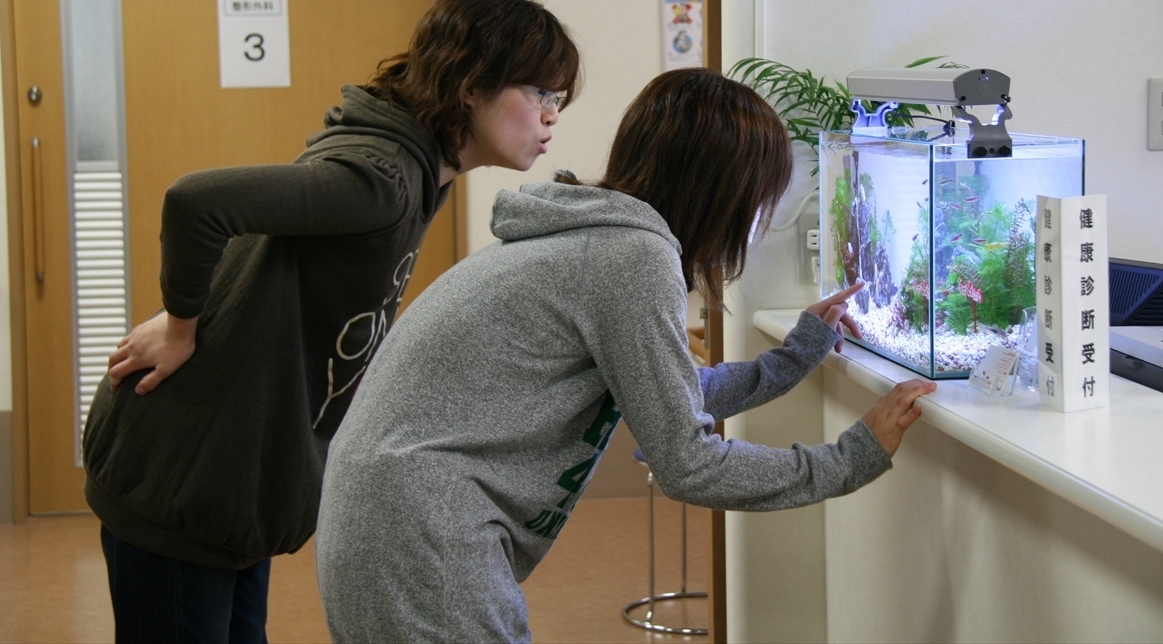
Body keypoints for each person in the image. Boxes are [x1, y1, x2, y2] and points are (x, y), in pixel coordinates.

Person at [315, 67, 936, 643]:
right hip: (417, 530)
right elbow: (689, 463)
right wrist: (852, 458)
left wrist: (797, 353)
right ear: (721, 190)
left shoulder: (595, 239)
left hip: (384, 512)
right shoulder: (630, 259)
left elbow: (669, 392)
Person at [81, 0, 582, 644]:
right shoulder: (381, 177)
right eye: (540, 93)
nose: (551, 116)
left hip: (225, 482)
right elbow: (194, 202)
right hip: (182, 478)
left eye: (557, 99)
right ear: (472, 85)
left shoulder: (411, 170)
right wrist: (181, 323)